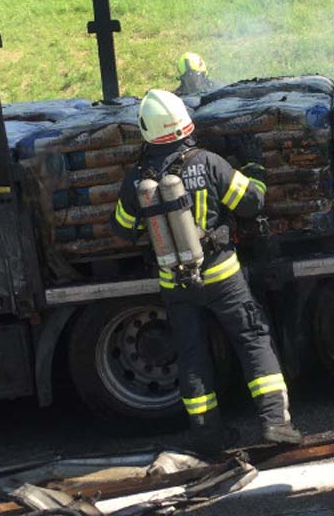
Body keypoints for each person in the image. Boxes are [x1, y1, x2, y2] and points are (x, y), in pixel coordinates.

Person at [111, 90, 302, 453]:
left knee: (191, 355)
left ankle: (206, 434)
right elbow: (252, 202)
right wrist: (254, 167)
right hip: (222, 275)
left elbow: (122, 229)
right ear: (185, 123)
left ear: (146, 130)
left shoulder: (137, 180)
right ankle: (276, 424)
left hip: (174, 281)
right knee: (253, 340)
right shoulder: (209, 163)